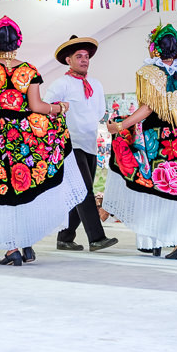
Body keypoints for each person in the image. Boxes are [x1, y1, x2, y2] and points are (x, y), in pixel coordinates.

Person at [0, 16, 86, 266]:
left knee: (1, 189)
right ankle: (27, 244)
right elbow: (36, 106)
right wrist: (59, 108)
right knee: (24, 186)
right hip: (23, 135)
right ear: (18, 42)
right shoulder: (29, 70)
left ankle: (12, 249)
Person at [103, 24, 177, 261]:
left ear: (154, 48)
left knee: (155, 188)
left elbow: (147, 108)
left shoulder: (148, 72)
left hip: (160, 138)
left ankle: (153, 241)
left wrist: (120, 126)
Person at [45, 35, 118, 252]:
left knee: (80, 191)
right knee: (84, 190)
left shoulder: (96, 84)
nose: (84, 60)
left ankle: (65, 237)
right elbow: (46, 108)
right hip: (70, 144)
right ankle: (96, 237)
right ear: (68, 60)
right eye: (79, 56)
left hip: (90, 142)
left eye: (86, 56)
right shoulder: (61, 84)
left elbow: (99, 113)